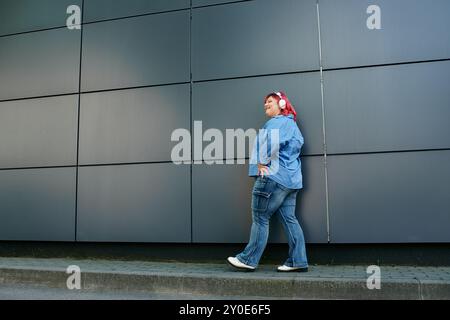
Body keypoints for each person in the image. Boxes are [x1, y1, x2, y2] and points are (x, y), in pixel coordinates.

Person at [227, 91, 308, 272]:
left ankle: (248, 259)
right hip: (290, 182)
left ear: (281, 104)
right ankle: (298, 261)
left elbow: (270, 144)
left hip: (273, 178)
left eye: (269, 101)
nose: (265, 104)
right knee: (290, 219)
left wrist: (261, 162)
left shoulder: (276, 122)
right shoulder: (292, 125)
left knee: (260, 218)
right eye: (264, 102)